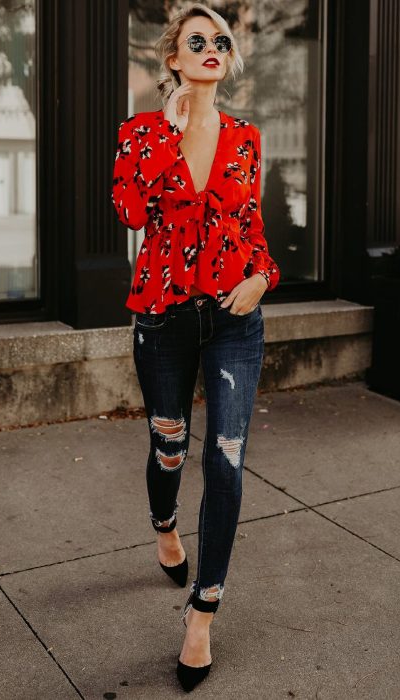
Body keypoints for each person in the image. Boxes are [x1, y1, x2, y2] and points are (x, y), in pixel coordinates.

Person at [112, 2, 280, 692]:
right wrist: (170, 135)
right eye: (196, 41)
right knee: (170, 446)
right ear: (173, 60)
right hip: (163, 318)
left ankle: (203, 611)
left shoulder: (246, 137)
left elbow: (252, 230)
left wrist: (264, 277)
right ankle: (163, 525)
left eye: (220, 40)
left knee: (227, 459)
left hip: (234, 322)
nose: (212, 47)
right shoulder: (140, 133)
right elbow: (127, 212)